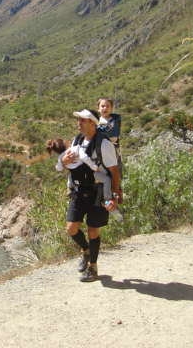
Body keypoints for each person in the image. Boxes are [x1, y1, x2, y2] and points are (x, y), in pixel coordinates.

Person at [60, 108, 122, 282]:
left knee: (93, 230)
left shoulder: (104, 144)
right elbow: (71, 165)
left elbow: (114, 171)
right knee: (71, 228)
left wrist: (115, 195)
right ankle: (86, 251)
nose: (78, 123)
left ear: (93, 123)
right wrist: (64, 164)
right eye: (78, 120)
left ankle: (93, 267)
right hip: (79, 191)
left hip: (98, 192)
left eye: (82, 120)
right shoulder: (77, 140)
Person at [97, 97, 123, 177]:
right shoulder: (95, 122)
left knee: (117, 175)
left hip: (114, 152)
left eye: (108, 106)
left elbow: (113, 134)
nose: (105, 108)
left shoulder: (115, 120)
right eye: (102, 106)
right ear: (98, 108)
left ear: (111, 108)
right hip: (100, 154)